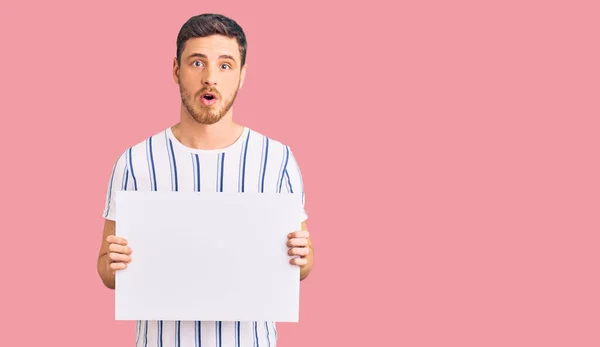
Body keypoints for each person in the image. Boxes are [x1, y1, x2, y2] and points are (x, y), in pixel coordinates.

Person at [96, 13, 314, 347]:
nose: (210, 77)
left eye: (225, 65)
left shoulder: (277, 160)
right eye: (197, 63)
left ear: (241, 76)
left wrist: (303, 256)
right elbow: (107, 271)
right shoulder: (135, 162)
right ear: (175, 70)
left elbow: (300, 266)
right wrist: (114, 262)